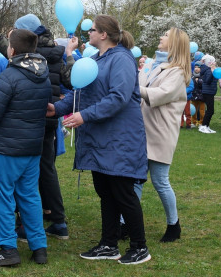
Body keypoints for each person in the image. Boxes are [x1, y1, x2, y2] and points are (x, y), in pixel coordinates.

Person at [49, 15, 150, 265]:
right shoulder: (95, 60)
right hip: (100, 139)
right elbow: (80, 92)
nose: (88, 34)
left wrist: (84, 116)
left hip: (120, 138)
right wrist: (57, 108)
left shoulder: (122, 59)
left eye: (92, 30)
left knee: (123, 193)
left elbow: (118, 97)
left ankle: (139, 247)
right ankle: (108, 244)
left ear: (103, 34)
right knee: (106, 192)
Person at [0, 0, 69, 240]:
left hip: (22, 122)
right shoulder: (56, 54)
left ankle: (21, 225)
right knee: (45, 170)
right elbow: (70, 81)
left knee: (21, 177)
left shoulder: (21, 53)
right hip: (48, 117)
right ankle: (57, 220)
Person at [0, 29, 51, 267]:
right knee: (30, 196)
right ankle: (39, 247)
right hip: (32, 147)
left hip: (8, 148)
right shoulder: (43, 75)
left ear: (12, 50)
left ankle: (8, 249)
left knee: (3, 198)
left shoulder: (9, 75)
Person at [136, 27, 190, 244]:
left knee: (160, 180)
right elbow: (139, 83)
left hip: (160, 133)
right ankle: (125, 224)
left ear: (175, 43)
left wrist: (132, 87)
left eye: (166, 35)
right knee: (135, 180)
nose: (161, 37)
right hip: (141, 130)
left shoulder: (177, 72)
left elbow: (160, 95)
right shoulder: (152, 64)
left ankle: (173, 224)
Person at [195, 55, 218, 134]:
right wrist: (212, 72)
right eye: (213, 62)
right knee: (210, 110)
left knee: (210, 110)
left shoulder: (208, 70)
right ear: (210, 62)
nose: (215, 63)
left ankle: (206, 126)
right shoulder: (208, 70)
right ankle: (203, 126)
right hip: (208, 92)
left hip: (210, 92)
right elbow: (208, 81)